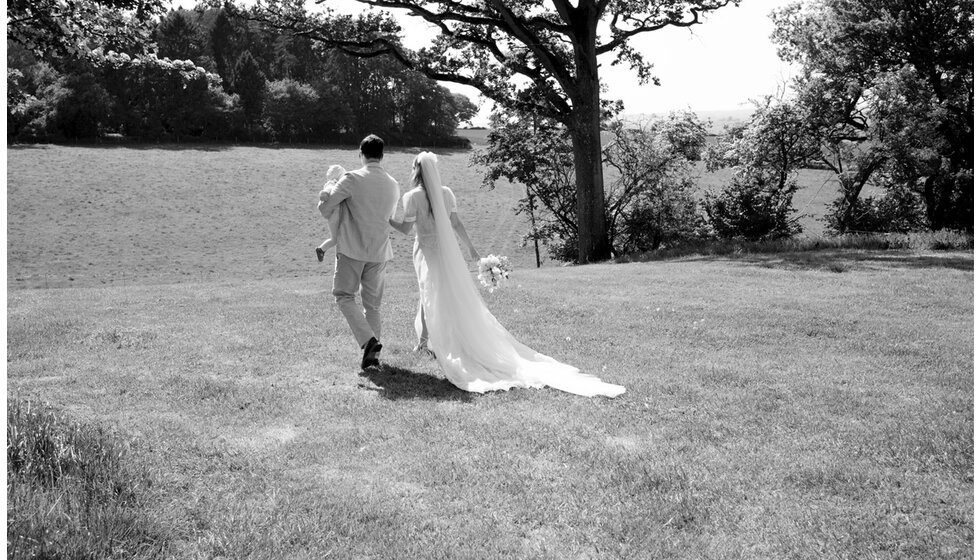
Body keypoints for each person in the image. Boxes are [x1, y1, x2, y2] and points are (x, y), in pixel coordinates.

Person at [389, 152, 625, 398]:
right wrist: (471, 249)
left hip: (427, 252)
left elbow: (406, 229)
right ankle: (427, 339)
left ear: (416, 171)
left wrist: (387, 221)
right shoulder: (446, 194)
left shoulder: (412, 197)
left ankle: (429, 341)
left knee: (428, 292)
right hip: (448, 253)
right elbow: (456, 224)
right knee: (443, 293)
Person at [318, 135, 400, 370]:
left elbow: (327, 210)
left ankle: (369, 341)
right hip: (380, 251)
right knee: (372, 306)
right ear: (382, 155)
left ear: (361, 154)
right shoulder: (393, 183)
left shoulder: (352, 178)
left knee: (343, 295)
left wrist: (325, 192)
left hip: (352, 249)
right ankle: (372, 356)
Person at [315, 164, 346, 263]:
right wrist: (324, 194)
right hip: (336, 215)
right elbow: (327, 191)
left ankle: (322, 249)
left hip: (334, 215)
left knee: (335, 238)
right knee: (338, 238)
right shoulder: (333, 183)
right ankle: (339, 256)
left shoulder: (334, 183)